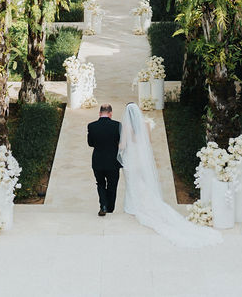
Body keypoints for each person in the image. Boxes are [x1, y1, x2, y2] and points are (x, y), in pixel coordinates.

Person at [118, 103, 222, 247]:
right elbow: (148, 143)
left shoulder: (126, 127)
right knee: (142, 181)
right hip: (142, 159)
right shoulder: (145, 124)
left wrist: (117, 146)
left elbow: (123, 146)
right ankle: (145, 203)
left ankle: (132, 206)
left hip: (131, 159)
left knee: (132, 182)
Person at [87, 104, 121, 216]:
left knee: (100, 183)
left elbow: (90, 143)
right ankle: (110, 208)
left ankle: (103, 206)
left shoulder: (91, 126)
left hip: (98, 160)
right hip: (113, 161)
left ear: (99, 113)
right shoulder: (117, 125)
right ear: (110, 114)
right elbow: (120, 142)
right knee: (112, 185)